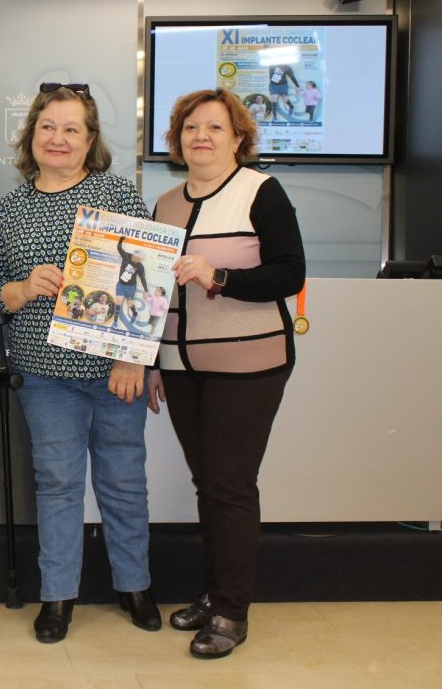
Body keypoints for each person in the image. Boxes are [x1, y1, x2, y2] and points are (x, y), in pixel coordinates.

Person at [0, 82, 160, 644]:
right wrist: (20, 288)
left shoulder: (117, 195)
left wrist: (133, 358)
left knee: (123, 481)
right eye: (47, 127)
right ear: (31, 134)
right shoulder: (9, 209)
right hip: (44, 377)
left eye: (70, 129)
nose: (57, 138)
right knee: (57, 484)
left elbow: (148, 280)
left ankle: (135, 585)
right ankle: (57, 596)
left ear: (89, 140)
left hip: (114, 374)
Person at [146, 88, 305, 659]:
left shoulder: (261, 191)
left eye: (215, 127)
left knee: (230, 485)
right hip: (181, 365)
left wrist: (220, 277)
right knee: (207, 483)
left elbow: (289, 274)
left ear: (238, 138)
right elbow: (151, 293)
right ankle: (214, 595)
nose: (201, 137)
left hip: (248, 363)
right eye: (191, 127)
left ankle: (232, 612)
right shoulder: (164, 203)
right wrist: (152, 359)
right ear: (177, 139)